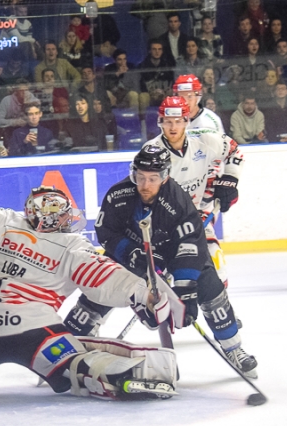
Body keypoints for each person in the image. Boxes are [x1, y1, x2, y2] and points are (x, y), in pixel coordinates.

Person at [0, 135, 178, 400]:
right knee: (76, 364)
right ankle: (114, 376)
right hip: (35, 331)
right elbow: (106, 278)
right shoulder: (71, 245)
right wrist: (145, 295)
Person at [62, 144, 257, 377]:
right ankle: (69, 348)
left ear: (165, 176)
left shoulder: (178, 202)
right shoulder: (119, 195)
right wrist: (132, 254)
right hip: (132, 252)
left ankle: (233, 348)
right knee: (100, 287)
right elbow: (106, 231)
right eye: (140, 177)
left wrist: (186, 289)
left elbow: (191, 245)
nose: (145, 185)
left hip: (172, 251)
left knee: (211, 289)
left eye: (153, 178)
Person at [141, 95, 244, 286]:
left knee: (217, 267)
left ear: (187, 120)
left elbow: (234, 151)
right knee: (162, 278)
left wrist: (230, 179)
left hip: (198, 213)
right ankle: (180, 314)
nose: (173, 128)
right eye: (168, 122)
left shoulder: (206, 139)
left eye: (178, 121)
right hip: (164, 220)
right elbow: (142, 191)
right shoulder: (151, 151)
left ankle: (222, 312)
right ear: (160, 122)